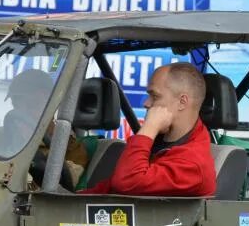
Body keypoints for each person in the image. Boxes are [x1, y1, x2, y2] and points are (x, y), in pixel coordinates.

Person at [83, 63, 216, 197]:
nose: (146, 103)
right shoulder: (161, 141)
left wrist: (150, 128)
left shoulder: (193, 165)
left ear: (182, 102)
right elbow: (110, 188)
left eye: (155, 96)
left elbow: (127, 181)